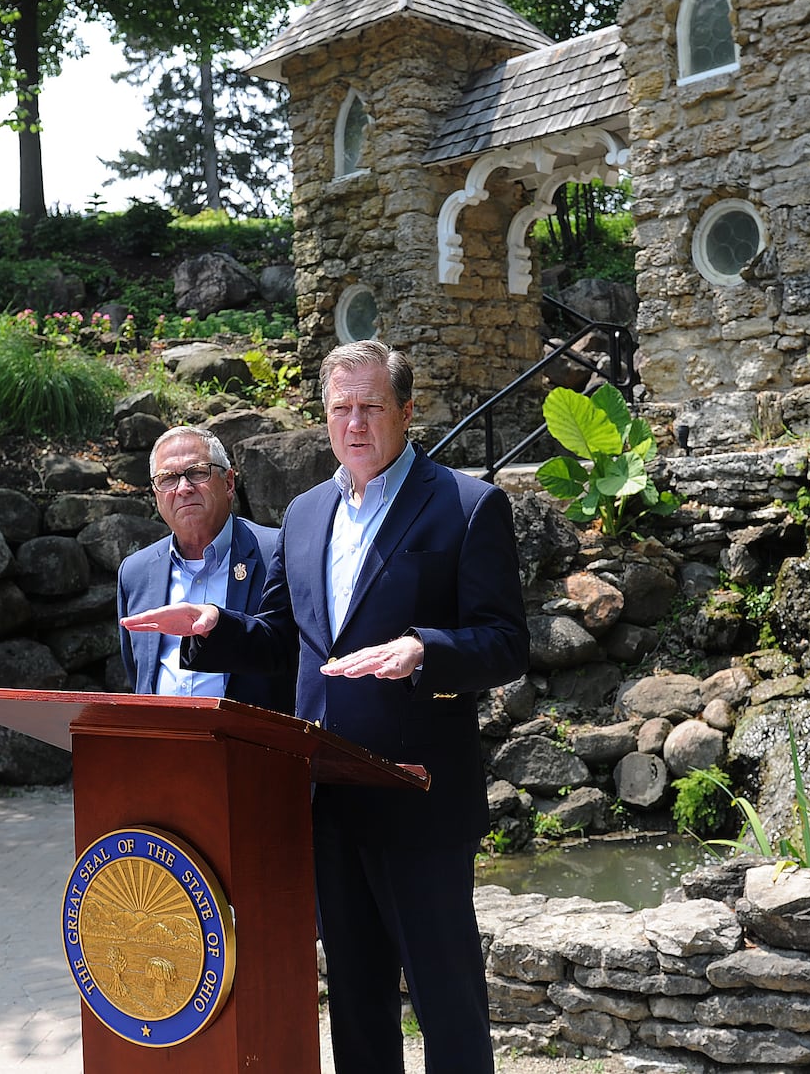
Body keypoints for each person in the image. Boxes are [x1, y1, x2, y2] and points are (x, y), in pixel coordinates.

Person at [122, 340, 530, 1074]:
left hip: (419, 795)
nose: (356, 423)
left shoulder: (468, 506)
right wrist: (216, 627)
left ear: (407, 411)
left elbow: (505, 643)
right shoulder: (306, 514)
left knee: (448, 1003)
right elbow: (286, 639)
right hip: (329, 799)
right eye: (341, 407)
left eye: (372, 406)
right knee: (355, 1002)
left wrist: (425, 650)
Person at [115, 425, 291, 712]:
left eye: (197, 472)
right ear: (156, 495)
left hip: (254, 748)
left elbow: (291, 655)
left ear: (229, 483)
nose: (183, 488)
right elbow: (139, 674)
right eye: (168, 478)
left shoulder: (276, 552)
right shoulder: (135, 572)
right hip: (166, 748)